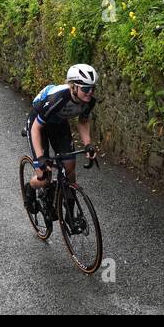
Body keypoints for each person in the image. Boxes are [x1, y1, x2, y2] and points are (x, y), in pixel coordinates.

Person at [23, 64, 99, 215]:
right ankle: (30, 187)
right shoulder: (57, 99)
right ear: (73, 87)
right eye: (85, 88)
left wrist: (88, 144)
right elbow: (36, 128)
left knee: (69, 168)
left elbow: (83, 121)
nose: (90, 92)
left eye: (93, 88)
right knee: (44, 177)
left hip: (59, 123)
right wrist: (40, 158)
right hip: (38, 126)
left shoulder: (89, 101)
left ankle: (69, 207)